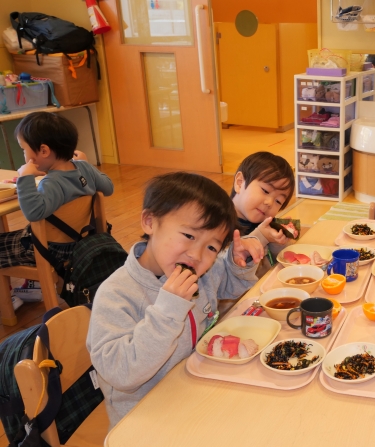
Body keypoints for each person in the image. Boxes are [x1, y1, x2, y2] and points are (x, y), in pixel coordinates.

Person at [87, 172, 263, 427]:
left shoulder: (199, 274)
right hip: (144, 420)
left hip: (194, 392)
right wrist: (167, 312)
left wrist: (238, 264)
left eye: (212, 247)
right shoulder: (117, 294)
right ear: (150, 222)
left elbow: (226, 283)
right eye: (189, 236)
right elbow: (121, 373)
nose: (196, 254)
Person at [0, 112, 113, 272]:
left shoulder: (52, 183)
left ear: (44, 151)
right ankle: (31, 283)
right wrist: (86, 165)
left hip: (52, 250)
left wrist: (25, 178)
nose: (23, 154)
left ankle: (19, 286)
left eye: (24, 149)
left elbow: (33, 213)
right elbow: (108, 188)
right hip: (82, 240)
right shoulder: (84, 167)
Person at [230, 152, 295, 276]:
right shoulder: (216, 224)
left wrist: (277, 242)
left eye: (278, 201)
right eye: (265, 191)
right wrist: (261, 236)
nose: (269, 203)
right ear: (240, 183)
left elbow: (278, 266)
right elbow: (226, 271)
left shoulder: (266, 224)